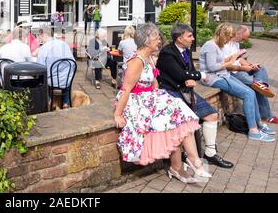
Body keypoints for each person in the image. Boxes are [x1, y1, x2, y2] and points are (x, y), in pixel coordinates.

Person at [114, 23, 211, 183]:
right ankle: (190, 163)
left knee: (179, 116)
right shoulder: (137, 61)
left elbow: (154, 83)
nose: (159, 40)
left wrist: (160, 96)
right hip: (136, 101)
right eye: (156, 37)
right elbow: (126, 90)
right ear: (146, 41)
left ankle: (183, 165)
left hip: (149, 97)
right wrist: (118, 114)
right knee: (178, 114)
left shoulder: (149, 57)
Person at [156, 23, 234, 168]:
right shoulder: (167, 52)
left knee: (212, 115)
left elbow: (188, 70)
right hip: (170, 92)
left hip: (185, 90)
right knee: (187, 120)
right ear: (179, 38)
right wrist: (200, 75)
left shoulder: (186, 51)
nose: (193, 38)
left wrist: (190, 77)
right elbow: (180, 74)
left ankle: (210, 153)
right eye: (189, 36)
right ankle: (185, 155)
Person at [199, 22, 275, 142]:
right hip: (213, 78)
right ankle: (253, 131)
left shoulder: (216, 45)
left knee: (251, 91)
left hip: (222, 75)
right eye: (228, 38)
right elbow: (212, 67)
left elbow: (220, 61)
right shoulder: (210, 45)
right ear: (223, 34)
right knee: (248, 94)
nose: (229, 41)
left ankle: (259, 124)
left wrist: (233, 57)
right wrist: (232, 60)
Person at [221, 25, 277, 124]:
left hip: (241, 69)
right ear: (238, 33)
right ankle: (267, 116)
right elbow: (226, 66)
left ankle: (260, 84)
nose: (244, 40)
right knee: (257, 89)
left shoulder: (236, 43)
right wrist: (244, 68)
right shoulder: (225, 45)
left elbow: (240, 58)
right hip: (233, 72)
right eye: (244, 38)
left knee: (261, 68)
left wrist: (251, 66)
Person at [37, 25, 76, 109]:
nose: (39, 39)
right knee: (67, 76)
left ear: (43, 35)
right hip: (66, 80)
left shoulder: (44, 48)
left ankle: (49, 100)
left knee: (40, 78)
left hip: (52, 81)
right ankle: (66, 102)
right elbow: (73, 63)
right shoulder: (64, 44)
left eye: (39, 37)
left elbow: (40, 68)